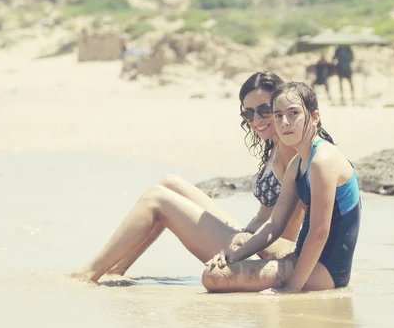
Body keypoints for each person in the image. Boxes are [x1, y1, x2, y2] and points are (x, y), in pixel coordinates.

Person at [69, 72, 306, 284]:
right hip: (252, 236)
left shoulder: (289, 148)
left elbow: (286, 221)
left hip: (265, 250)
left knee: (156, 199)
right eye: (248, 113)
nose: (256, 120)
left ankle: (88, 273)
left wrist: (245, 241)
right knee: (169, 183)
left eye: (264, 110)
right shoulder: (277, 146)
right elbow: (267, 213)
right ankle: (114, 269)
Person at [202, 81, 361, 293]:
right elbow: (275, 224)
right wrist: (236, 256)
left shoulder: (322, 160)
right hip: (301, 258)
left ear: (314, 117)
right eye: (278, 115)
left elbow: (319, 233)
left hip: (327, 271)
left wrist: (291, 289)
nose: (284, 122)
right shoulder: (298, 163)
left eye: (293, 113)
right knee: (232, 251)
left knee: (213, 278)